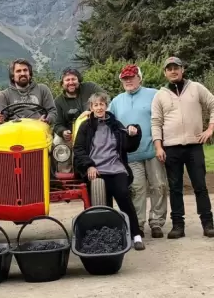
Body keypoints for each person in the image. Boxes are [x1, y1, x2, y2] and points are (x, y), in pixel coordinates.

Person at [151, 56, 214, 239]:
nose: (173, 71)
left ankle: (208, 224)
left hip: (194, 146)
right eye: (169, 68)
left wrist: (210, 129)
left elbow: (212, 103)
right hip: (171, 148)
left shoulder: (196, 88)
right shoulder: (160, 95)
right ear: (165, 72)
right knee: (175, 188)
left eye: (176, 67)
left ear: (182, 69)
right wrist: (158, 146)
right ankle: (178, 226)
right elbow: (155, 122)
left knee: (200, 186)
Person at [73, 92, 145, 250]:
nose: (99, 108)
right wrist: (89, 165)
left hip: (115, 167)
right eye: (96, 105)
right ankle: (106, 238)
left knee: (123, 196)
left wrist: (134, 134)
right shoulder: (86, 126)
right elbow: (78, 149)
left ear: (106, 106)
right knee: (102, 205)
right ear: (91, 108)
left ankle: (136, 235)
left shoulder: (116, 124)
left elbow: (128, 146)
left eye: (102, 104)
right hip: (96, 169)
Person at [109, 64, 168, 239]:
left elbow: (166, 117)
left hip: (153, 150)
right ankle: (138, 224)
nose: (128, 81)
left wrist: (162, 144)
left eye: (131, 77)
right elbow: (108, 121)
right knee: (137, 189)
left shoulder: (155, 94)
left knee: (159, 186)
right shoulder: (117, 101)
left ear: (139, 78)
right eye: (125, 78)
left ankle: (156, 222)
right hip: (131, 154)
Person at [53, 67, 104, 172]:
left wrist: (92, 110)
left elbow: (104, 97)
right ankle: (65, 173)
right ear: (62, 83)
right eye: (67, 80)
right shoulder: (58, 101)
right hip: (71, 135)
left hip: (93, 129)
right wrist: (63, 132)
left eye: (73, 79)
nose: (71, 82)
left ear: (79, 80)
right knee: (58, 140)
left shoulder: (90, 87)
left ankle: (102, 168)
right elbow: (57, 124)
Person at [0, 58, 57, 127]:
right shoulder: (4, 95)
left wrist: (47, 120)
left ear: (30, 74)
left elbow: (52, 111)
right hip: (13, 129)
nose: (22, 73)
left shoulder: (42, 89)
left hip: (38, 127)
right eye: (18, 71)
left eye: (25, 70)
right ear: (12, 76)